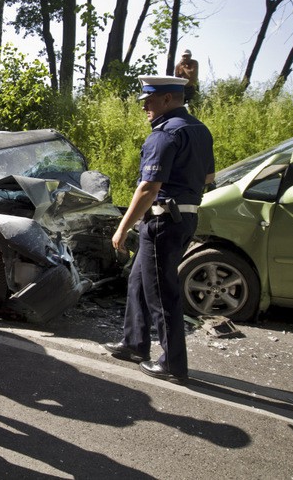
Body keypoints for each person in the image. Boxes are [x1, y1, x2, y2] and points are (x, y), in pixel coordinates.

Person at [102, 75, 214, 384]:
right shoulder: (199, 130)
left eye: (149, 101)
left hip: (162, 221)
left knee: (162, 294)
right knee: (139, 281)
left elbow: (148, 188)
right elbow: (208, 177)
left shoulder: (163, 135)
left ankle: (173, 363)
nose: (145, 108)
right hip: (184, 218)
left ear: (167, 100)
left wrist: (123, 229)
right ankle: (134, 343)